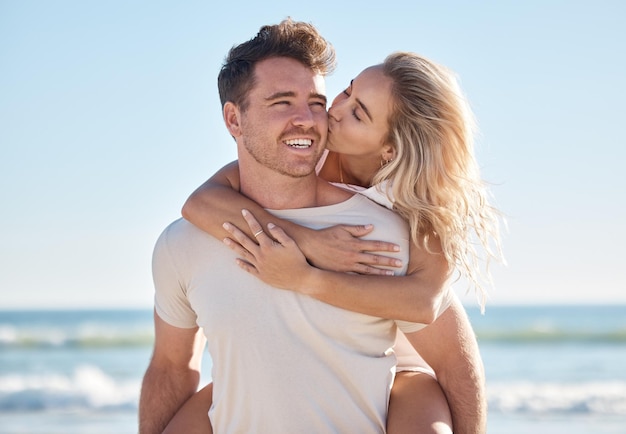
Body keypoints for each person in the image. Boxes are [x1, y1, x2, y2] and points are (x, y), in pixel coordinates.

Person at [140, 19, 459, 434]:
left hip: (401, 370)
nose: (317, 118)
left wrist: (306, 278)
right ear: (234, 120)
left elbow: (437, 326)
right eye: (282, 102)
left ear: (389, 148)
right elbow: (171, 366)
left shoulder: (401, 226)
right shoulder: (186, 240)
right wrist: (307, 241)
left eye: (317, 102)